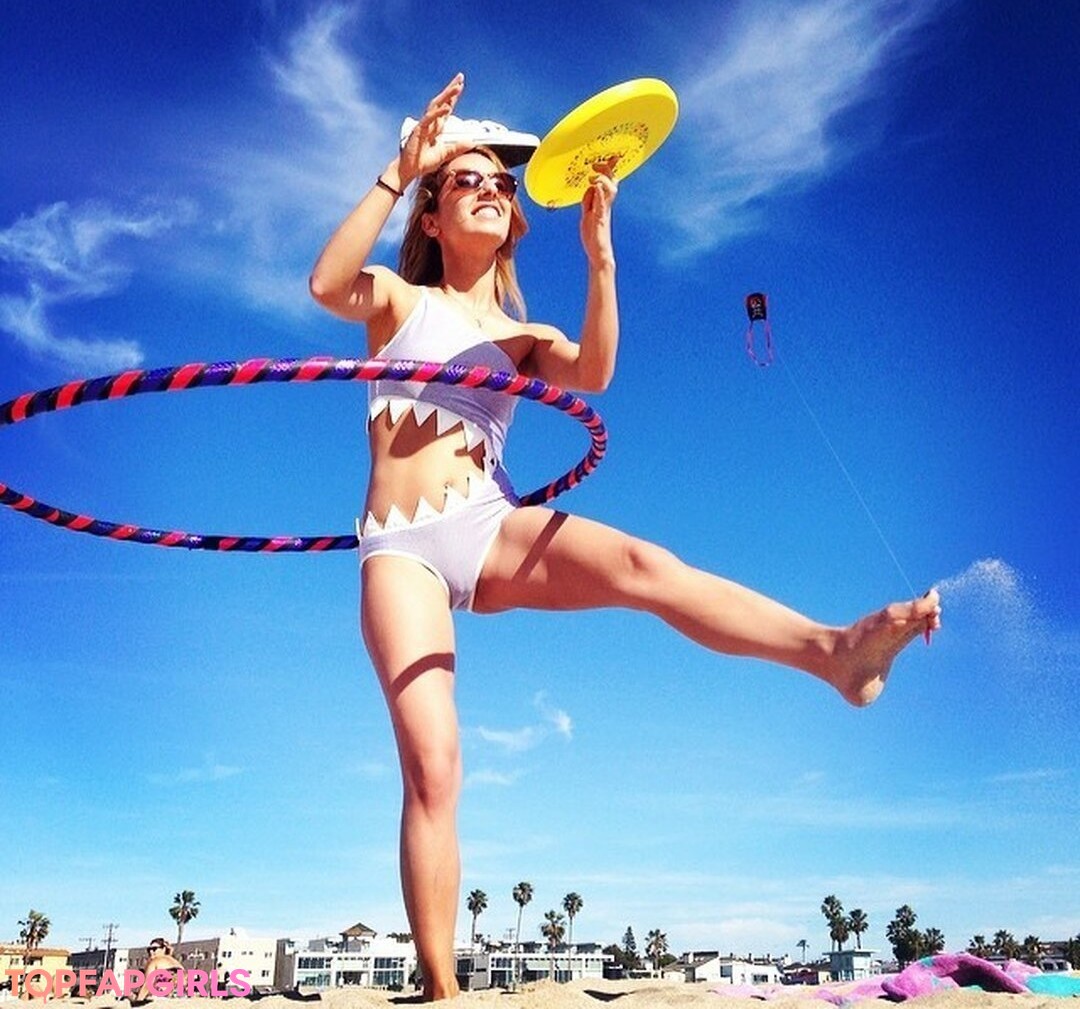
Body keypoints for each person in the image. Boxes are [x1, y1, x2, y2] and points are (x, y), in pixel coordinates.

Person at [309, 73, 941, 1001]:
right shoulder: (397, 300)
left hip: (490, 522)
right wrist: (398, 171)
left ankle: (835, 652)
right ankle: (443, 989)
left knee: (648, 564)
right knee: (435, 765)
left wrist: (600, 255)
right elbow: (325, 284)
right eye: (466, 180)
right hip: (402, 545)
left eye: (500, 183)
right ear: (432, 217)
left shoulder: (523, 336)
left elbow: (596, 372)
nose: (490, 189)